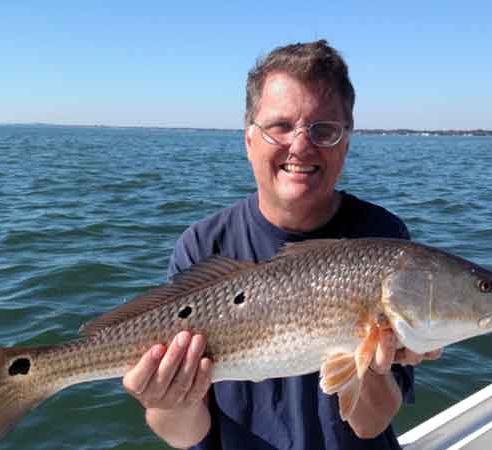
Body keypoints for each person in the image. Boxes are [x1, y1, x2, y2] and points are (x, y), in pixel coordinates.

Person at [122, 40, 441, 450]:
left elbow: (369, 424)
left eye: (324, 130)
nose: (301, 145)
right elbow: (186, 435)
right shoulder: (203, 245)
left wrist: (371, 370)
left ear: (346, 143)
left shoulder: (381, 235)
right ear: (249, 139)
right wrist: (165, 399)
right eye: (281, 127)